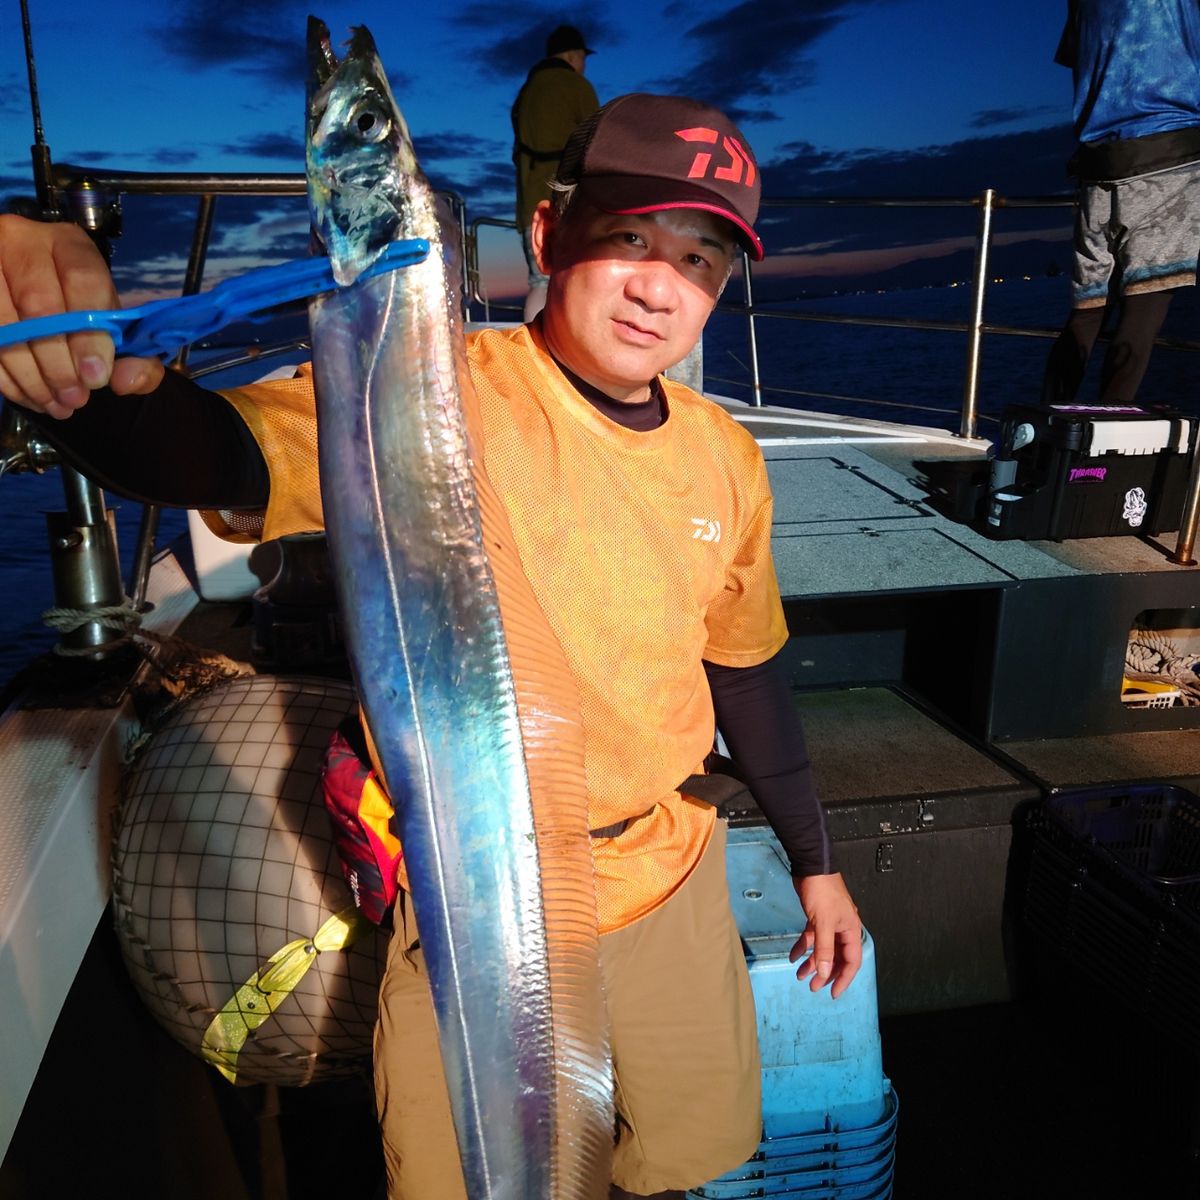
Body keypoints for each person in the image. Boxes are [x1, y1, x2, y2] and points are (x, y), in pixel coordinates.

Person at [0, 92, 862, 1200]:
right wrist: (69, 368)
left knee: (679, 1167)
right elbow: (205, 453)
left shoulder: (725, 457)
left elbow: (744, 670)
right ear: (548, 236)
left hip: (669, 867)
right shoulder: (426, 388)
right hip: (473, 892)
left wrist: (817, 865)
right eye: (627, 239)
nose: (659, 284)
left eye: (699, 261)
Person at [1041, 0, 1200, 408]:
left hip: (1097, 166)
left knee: (1087, 312)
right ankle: (1102, 438)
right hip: (1169, 158)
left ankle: (1043, 430)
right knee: (1142, 315)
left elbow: (1080, 59)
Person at [511, 23, 598, 322]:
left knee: (539, 282)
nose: (584, 65)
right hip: (569, 203)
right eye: (583, 58)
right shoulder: (577, 88)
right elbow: (597, 144)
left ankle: (530, 359)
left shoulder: (526, 94)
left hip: (529, 207)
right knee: (578, 281)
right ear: (573, 55)